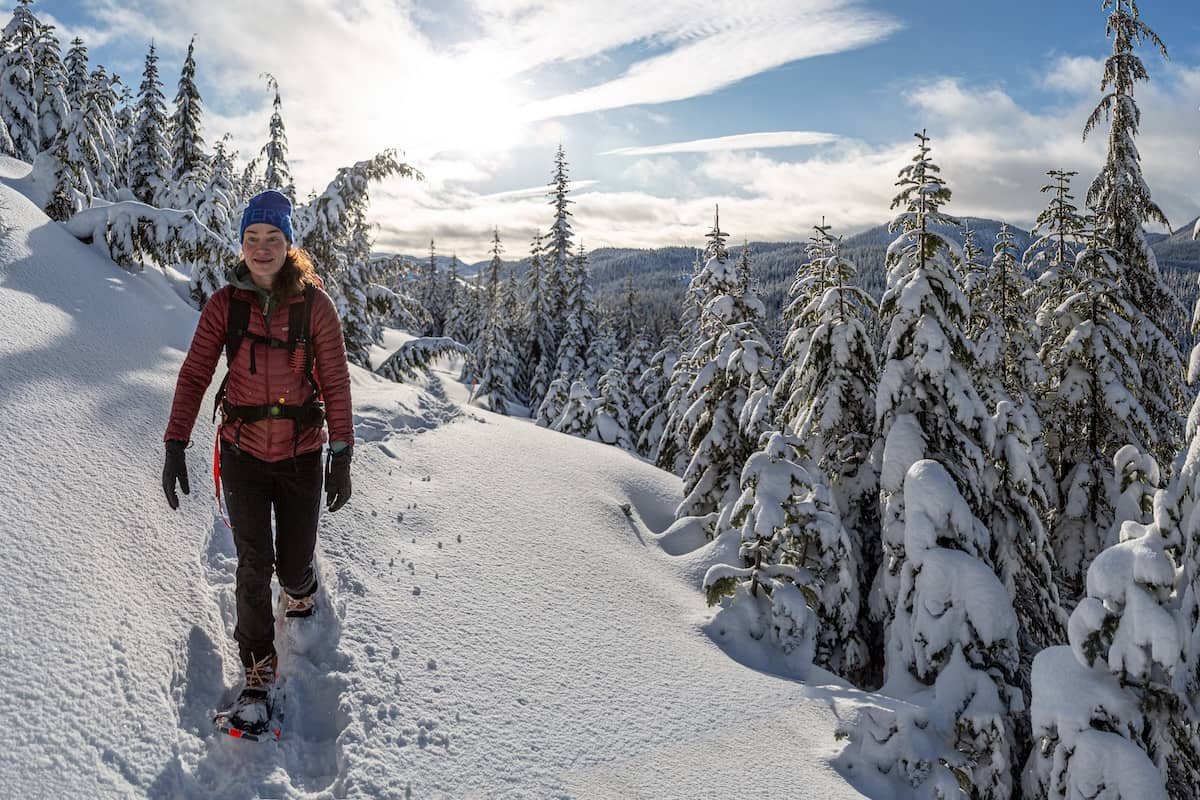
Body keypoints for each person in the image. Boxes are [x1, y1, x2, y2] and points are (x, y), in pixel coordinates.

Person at [162, 189, 353, 722]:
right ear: (241, 243)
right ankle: (256, 672)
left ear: (289, 244)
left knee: (292, 565)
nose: (262, 248)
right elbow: (196, 372)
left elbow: (335, 381)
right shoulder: (226, 304)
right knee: (252, 565)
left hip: (300, 455)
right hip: (242, 453)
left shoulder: (315, 304)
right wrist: (175, 442)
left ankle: (301, 590)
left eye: (272, 238)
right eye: (252, 238)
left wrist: (341, 452)